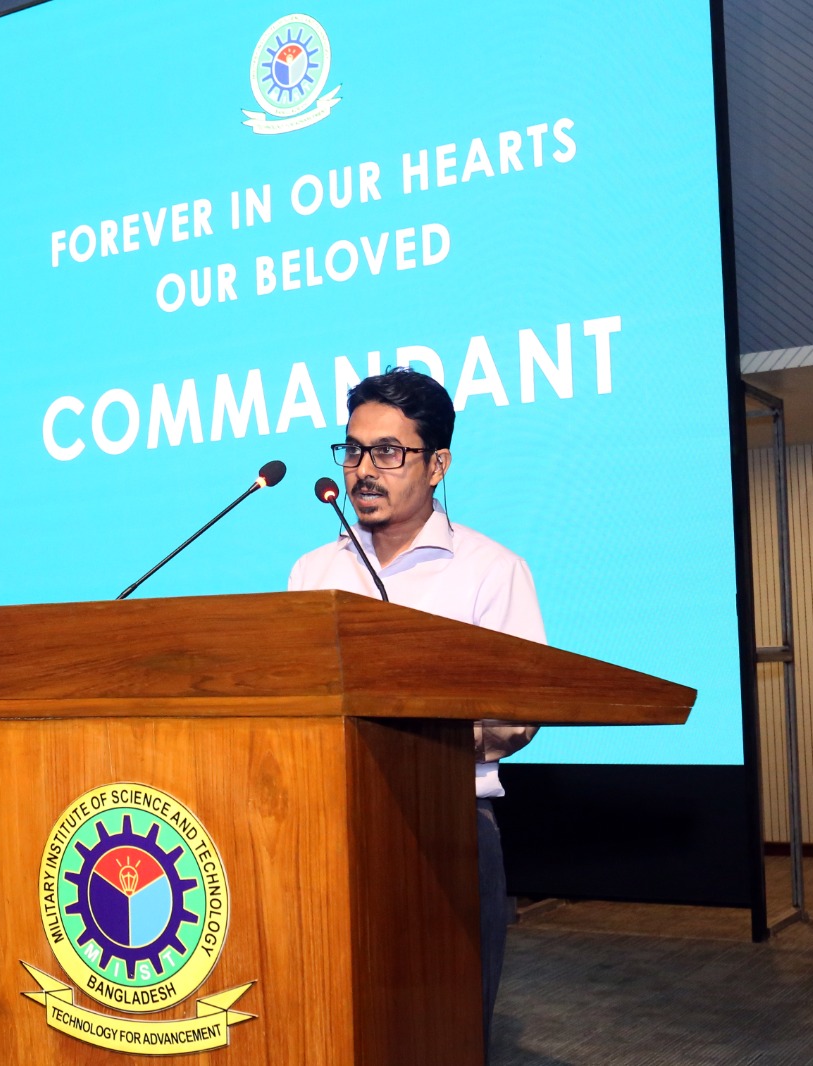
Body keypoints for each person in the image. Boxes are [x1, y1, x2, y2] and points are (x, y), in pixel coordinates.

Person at [288, 367, 543, 1056]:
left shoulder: (491, 569)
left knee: (442, 1030)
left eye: (388, 451)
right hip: (324, 828)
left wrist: (410, 735)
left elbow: (518, 715)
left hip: (448, 828)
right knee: (331, 1022)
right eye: (353, 450)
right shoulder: (313, 573)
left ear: (437, 465)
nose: (364, 469)